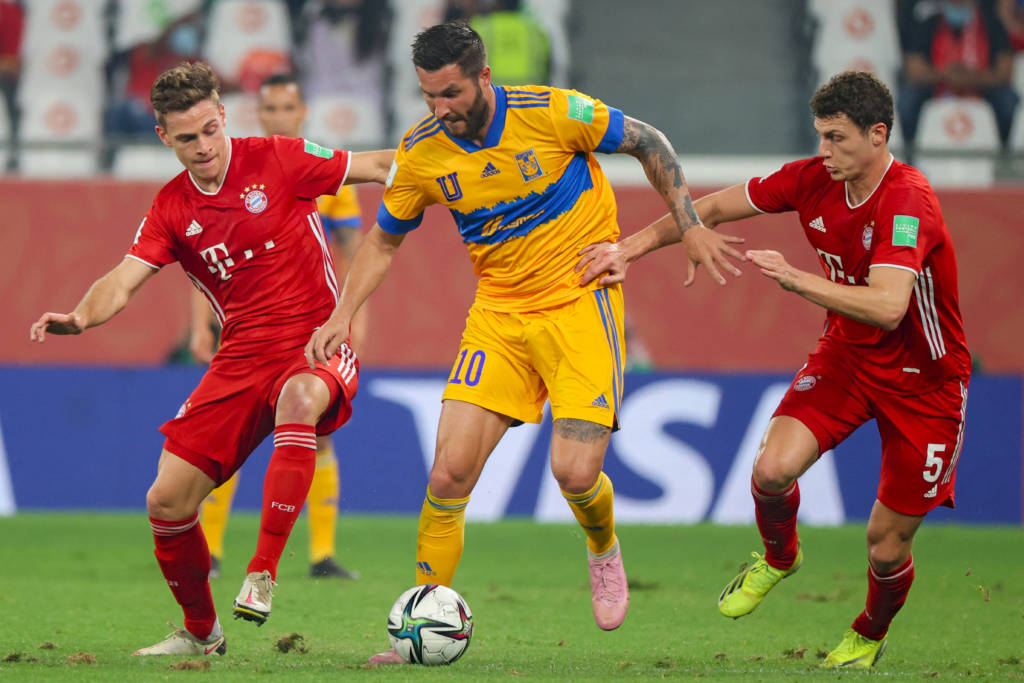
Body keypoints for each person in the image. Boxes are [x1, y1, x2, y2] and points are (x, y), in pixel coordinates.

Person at [304, 21, 743, 664]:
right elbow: (384, 239)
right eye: (428, 96)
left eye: (450, 93)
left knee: (573, 471)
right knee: (449, 472)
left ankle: (601, 546)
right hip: (499, 316)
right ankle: (417, 633)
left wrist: (690, 222)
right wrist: (343, 312)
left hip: (579, 303)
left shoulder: (553, 112)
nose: (439, 109)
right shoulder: (423, 149)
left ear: (484, 76)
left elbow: (649, 140)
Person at [577, 71, 970, 669]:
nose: (825, 151)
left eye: (838, 138)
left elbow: (890, 307)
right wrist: (625, 250)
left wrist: (796, 278)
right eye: (820, 136)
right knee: (771, 470)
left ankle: (866, 633)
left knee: (885, 547)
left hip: (927, 382)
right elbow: (707, 208)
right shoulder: (810, 181)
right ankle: (780, 556)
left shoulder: (907, 200)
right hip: (847, 358)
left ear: (878, 134)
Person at [29, 61, 392, 656]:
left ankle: (262, 572)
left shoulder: (278, 157)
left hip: (315, 338)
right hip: (240, 355)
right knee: (166, 502)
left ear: (224, 116)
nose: (203, 148)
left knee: (301, 400)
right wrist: (80, 316)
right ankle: (202, 632)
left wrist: (453, 167)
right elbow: (123, 279)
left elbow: (378, 166)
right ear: (163, 138)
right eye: (186, 138)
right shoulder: (171, 208)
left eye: (209, 130)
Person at [192, 73, 365, 582]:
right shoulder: (235, 171)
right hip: (246, 326)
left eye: (288, 107)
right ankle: (215, 552)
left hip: (312, 329)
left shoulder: (322, 172)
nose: (279, 116)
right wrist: (200, 326)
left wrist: (353, 321)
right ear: (259, 114)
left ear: (301, 112)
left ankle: (321, 555)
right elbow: (201, 261)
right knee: (234, 437)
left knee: (317, 434)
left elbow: (355, 255)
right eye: (270, 109)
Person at [899, 0, 1019, 150]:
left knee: (1008, 101)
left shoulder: (992, 24)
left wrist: (971, 78)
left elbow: (1005, 71)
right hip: (938, 84)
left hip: (981, 86)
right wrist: (945, 75)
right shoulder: (929, 22)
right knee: (907, 101)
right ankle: (910, 153)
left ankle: (1005, 154)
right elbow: (913, 69)